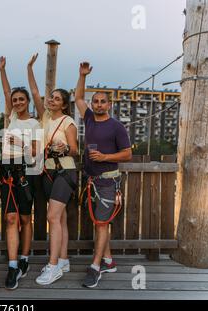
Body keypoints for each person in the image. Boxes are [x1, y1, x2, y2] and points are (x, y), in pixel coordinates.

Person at [75, 62, 132, 288]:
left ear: (109, 104)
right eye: (95, 101)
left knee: (100, 224)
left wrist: (105, 157)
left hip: (108, 182)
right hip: (91, 180)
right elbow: (78, 97)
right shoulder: (88, 118)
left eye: (103, 101)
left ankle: (95, 267)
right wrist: (82, 76)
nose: (98, 104)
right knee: (101, 224)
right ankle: (108, 261)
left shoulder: (116, 126)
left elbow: (127, 155)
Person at [27, 53, 79, 286]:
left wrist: (64, 147)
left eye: (56, 99)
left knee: (52, 217)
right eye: (51, 98)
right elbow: (35, 93)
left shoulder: (68, 122)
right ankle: (64, 259)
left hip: (65, 171)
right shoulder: (45, 117)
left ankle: (53, 265)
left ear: (64, 104)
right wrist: (29, 68)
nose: (51, 100)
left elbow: (76, 150)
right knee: (61, 219)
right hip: (47, 172)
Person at [0, 56, 41, 290]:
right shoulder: (12, 117)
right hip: (7, 170)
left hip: (26, 172)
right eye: (15, 100)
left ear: (27, 102)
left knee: (25, 218)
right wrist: (2, 69)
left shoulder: (34, 123)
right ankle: (13, 265)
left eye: (21, 99)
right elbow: (6, 91)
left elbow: (36, 150)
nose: (17, 102)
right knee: (11, 218)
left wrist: (21, 143)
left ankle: (24, 257)